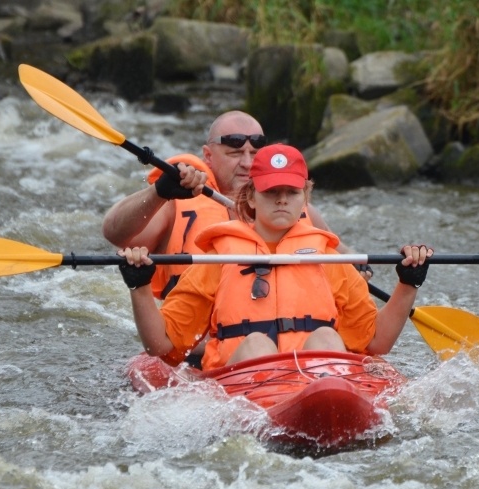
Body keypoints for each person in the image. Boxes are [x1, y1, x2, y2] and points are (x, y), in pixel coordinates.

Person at [117, 144, 433, 370]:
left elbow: (376, 343)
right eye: (271, 192)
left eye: (291, 192)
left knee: (325, 337)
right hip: (244, 384)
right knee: (256, 343)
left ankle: (328, 397)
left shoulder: (325, 257)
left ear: (304, 198)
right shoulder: (220, 257)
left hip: (318, 383)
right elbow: (161, 345)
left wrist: (408, 284)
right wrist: (140, 287)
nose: (282, 201)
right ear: (251, 197)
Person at [102, 110, 370, 301]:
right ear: (208, 156)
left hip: (283, 342)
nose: (247, 163)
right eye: (234, 153)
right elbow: (116, 234)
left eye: (255, 154)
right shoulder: (176, 204)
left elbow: (351, 265)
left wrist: (364, 271)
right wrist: (158, 193)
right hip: (198, 348)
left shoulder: (299, 211)